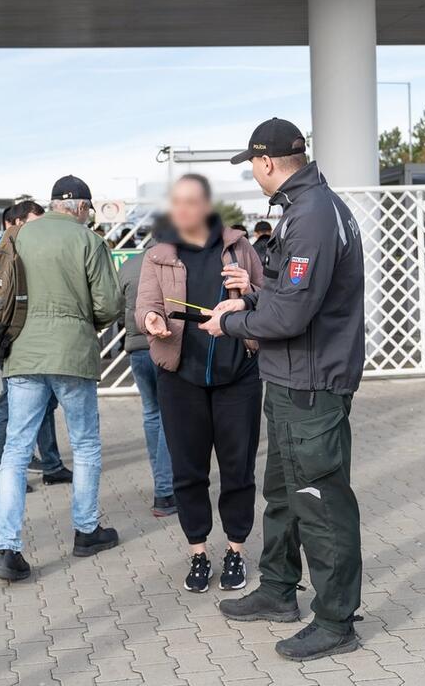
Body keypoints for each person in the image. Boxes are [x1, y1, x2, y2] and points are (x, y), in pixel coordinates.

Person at [201, 118, 366, 661]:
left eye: (251, 164)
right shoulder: (305, 209)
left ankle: (336, 619)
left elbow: (292, 314)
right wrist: (248, 301)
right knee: (284, 494)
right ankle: (277, 588)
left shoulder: (314, 214)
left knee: (321, 502)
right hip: (291, 379)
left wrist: (229, 324)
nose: (252, 173)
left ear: (266, 162)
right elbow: (287, 299)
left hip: (311, 384)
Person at [136, 174, 264, 594]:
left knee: (237, 469)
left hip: (237, 375)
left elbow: (268, 296)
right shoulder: (158, 255)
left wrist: (248, 293)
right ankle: (196, 552)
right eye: (179, 202)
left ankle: (235, 549)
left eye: (194, 201)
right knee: (188, 472)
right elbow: (146, 308)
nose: (187, 210)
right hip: (180, 376)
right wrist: (152, 322)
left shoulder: (240, 246)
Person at [0, 175, 123, 582]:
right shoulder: (89, 240)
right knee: (84, 444)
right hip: (72, 353)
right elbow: (108, 302)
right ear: (82, 207)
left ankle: (7, 549)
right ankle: (86, 531)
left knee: (15, 451)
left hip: (23, 353)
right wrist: (86, 325)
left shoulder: (20, 236)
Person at [0, 201, 72, 488]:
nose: (40, 229)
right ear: (15, 223)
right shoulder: (5, 253)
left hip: (23, 340)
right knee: (10, 404)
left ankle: (50, 465)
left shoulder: (16, 249)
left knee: (41, 401)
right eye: (35, 222)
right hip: (13, 340)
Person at [117, 242, 176, 518]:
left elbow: (117, 309)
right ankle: (165, 491)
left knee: (151, 413)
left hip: (137, 350)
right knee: (168, 417)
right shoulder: (171, 265)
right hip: (164, 347)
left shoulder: (128, 265)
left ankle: (160, 479)